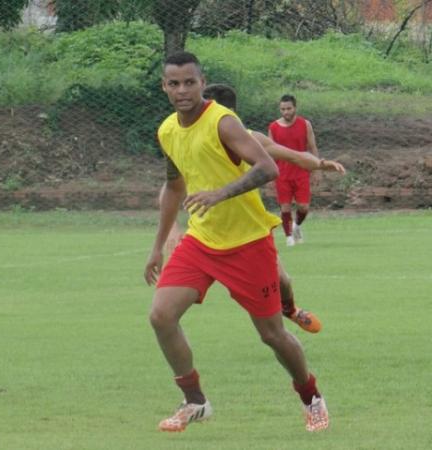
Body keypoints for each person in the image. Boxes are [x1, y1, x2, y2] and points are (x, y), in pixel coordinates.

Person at [145, 52, 328, 433]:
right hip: (203, 240)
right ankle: (195, 402)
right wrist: (158, 244)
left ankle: (311, 397)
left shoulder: (223, 123)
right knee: (161, 315)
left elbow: (268, 167)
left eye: (189, 82)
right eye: (173, 83)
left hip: (247, 244)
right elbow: (174, 186)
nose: (181, 90)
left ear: (201, 82)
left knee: (272, 335)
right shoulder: (167, 131)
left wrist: (220, 194)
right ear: (164, 86)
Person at [161, 83, 346, 333]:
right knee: (169, 304)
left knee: (283, 281)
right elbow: (170, 189)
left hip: (249, 232)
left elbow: (292, 155)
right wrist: (173, 229)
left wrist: (321, 163)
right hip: (205, 235)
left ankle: (290, 310)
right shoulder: (187, 138)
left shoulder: (249, 139)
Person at [268, 94, 319, 246]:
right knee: (285, 207)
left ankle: (297, 225)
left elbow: (312, 147)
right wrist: (270, 174)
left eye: (289, 108)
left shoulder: (305, 124)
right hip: (282, 173)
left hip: (301, 171)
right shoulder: (273, 127)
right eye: (283, 109)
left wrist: (316, 169)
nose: (286, 112)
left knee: (304, 207)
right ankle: (289, 237)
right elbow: (269, 152)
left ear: (295, 108)